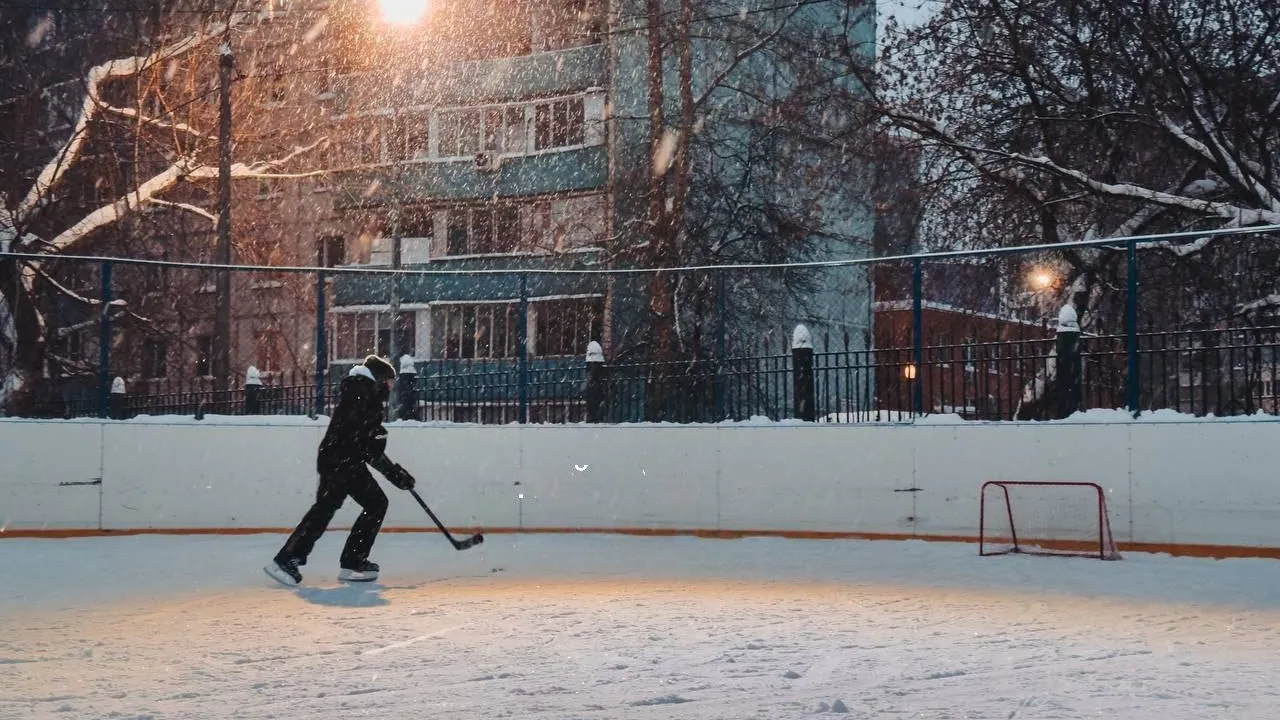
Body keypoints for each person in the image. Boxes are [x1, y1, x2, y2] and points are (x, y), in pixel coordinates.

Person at [264, 354, 416, 586]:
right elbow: (366, 445)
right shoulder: (365, 396)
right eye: (389, 381)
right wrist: (393, 472)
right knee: (374, 504)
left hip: (336, 459)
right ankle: (351, 562)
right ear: (380, 379)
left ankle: (292, 558)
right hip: (344, 463)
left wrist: (386, 460)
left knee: (326, 509)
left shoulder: (359, 391)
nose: (390, 387)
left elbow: (363, 439)